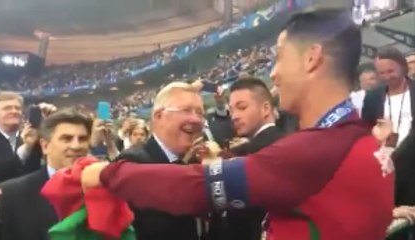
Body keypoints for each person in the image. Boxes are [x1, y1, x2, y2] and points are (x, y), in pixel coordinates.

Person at [81, 9, 394, 240]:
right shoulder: (362, 137)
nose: (273, 73)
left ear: (311, 59)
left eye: (280, 57)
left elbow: (195, 189)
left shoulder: (316, 149)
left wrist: (106, 172)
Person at [111, 82, 203, 240]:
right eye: (186, 110)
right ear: (159, 116)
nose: (196, 119)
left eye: (200, 113)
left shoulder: (189, 163)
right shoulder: (134, 163)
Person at [209, 77, 292, 240]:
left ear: (266, 108)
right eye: (231, 110)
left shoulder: (253, 154)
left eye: (242, 107)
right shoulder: (288, 140)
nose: (234, 116)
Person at [0, 109, 93, 240]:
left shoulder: (105, 187)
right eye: (67, 138)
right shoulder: (13, 193)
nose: (76, 146)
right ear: (45, 145)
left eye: (82, 139)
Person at [362, 47, 415, 147]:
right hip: (385, 155)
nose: (387, 77)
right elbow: (366, 128)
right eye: (382, 73)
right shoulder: (372, 97)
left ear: (403, 67)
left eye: (391, 71)